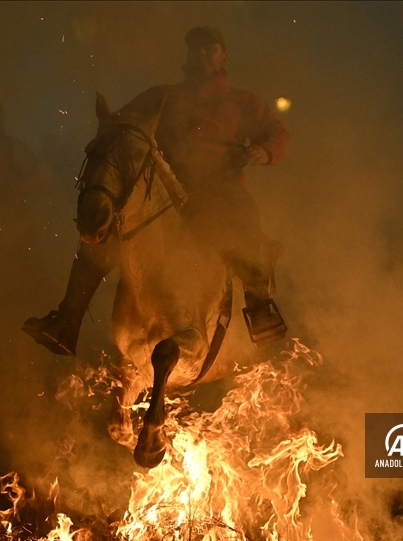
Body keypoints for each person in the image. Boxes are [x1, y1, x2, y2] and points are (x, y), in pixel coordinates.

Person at [23, 26, 290, 356]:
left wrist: (264, 151)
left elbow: (278, 135)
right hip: (161, 187)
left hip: (219, 188)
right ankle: (67, 320)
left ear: (224, 57)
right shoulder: (161, 97)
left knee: (244, 218)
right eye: (196, 49)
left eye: (210, 49)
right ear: (188, 55)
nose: (202, 54)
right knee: (101, 232)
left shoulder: (243, 102)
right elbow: (123, 124)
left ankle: (260, 307)